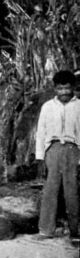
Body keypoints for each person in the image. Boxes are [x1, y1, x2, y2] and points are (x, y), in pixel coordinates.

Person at [34, 70, 80, 246]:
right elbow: (41, 133)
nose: (64, 92)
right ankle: (46, 230)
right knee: (50, 191)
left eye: (67, 88)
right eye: (60, 88)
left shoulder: (78, 106)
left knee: (72, 193)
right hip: (52, 150)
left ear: (73, 88)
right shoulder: (47, 107)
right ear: (55, 88)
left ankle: (75, 233)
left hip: (72, 150)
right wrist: (40, 158)